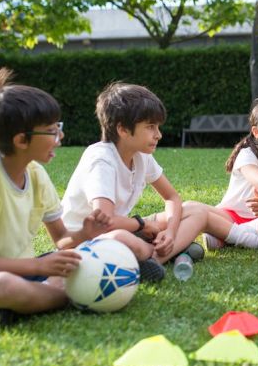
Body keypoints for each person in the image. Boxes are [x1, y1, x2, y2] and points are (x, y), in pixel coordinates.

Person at [0, 68, 112, 329]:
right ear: (21, 140)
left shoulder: (36, 174)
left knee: (83, 262)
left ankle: (18, 308)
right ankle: (71, 299)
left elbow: (62, 239)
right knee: (2, 286)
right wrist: (39, 267)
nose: (60, 137)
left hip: (25, 271)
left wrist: (84, 234)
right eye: (52, 131)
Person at [61, 83, 204, 281]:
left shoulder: (140, 154)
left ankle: (158, 251)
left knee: (195, 210)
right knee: (122, 238)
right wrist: (142, 224)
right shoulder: (101, 160)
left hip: (122, 229)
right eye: (150, 127)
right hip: (85, 243)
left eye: (158, 127)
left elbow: (171, 197)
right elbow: (104, 222)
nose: (158, 135)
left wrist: (170, 232)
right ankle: (158, 254)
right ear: (123, 129)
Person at [184, 95, 258, 250]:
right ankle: (254, 240)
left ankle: (227, 236)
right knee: (189, 206)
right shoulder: (247, 155)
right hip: (229, 216)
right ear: (257, 132)